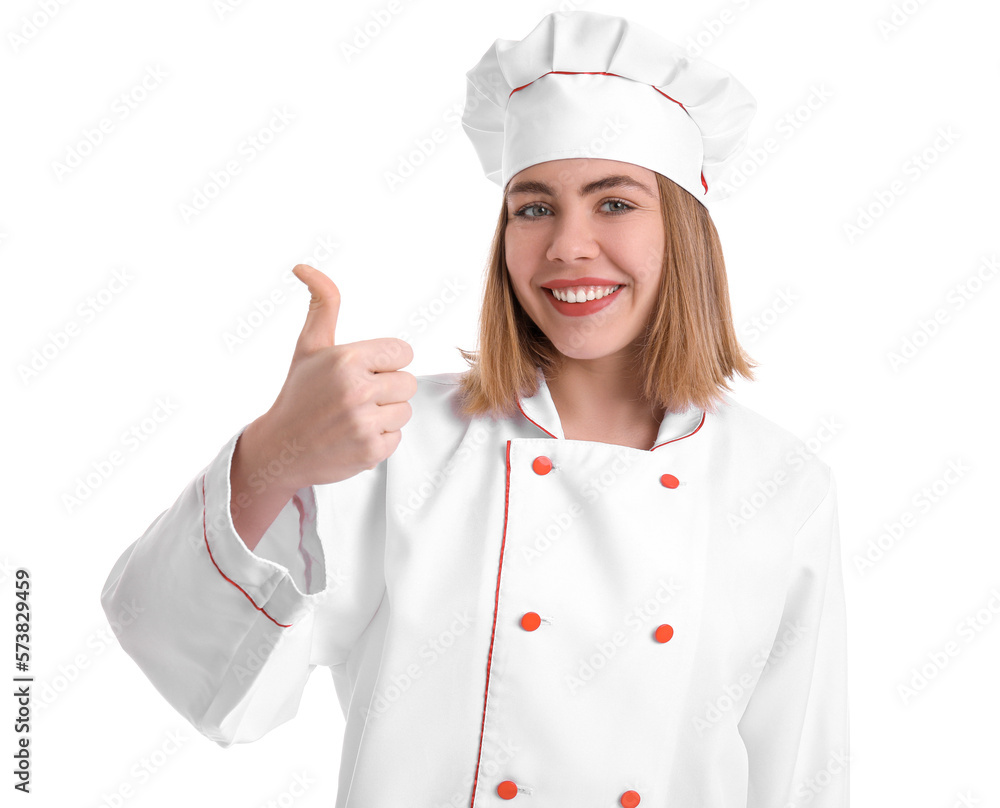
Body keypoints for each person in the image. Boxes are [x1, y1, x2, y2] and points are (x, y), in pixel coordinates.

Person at [101, 10, 849, 808]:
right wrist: (271, 456)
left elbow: (803, 772)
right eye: (533, 208)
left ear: (686, 230)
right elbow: (189, 662)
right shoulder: (394, 440)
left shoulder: (779, 482)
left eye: (615, 203)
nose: (566, 245)